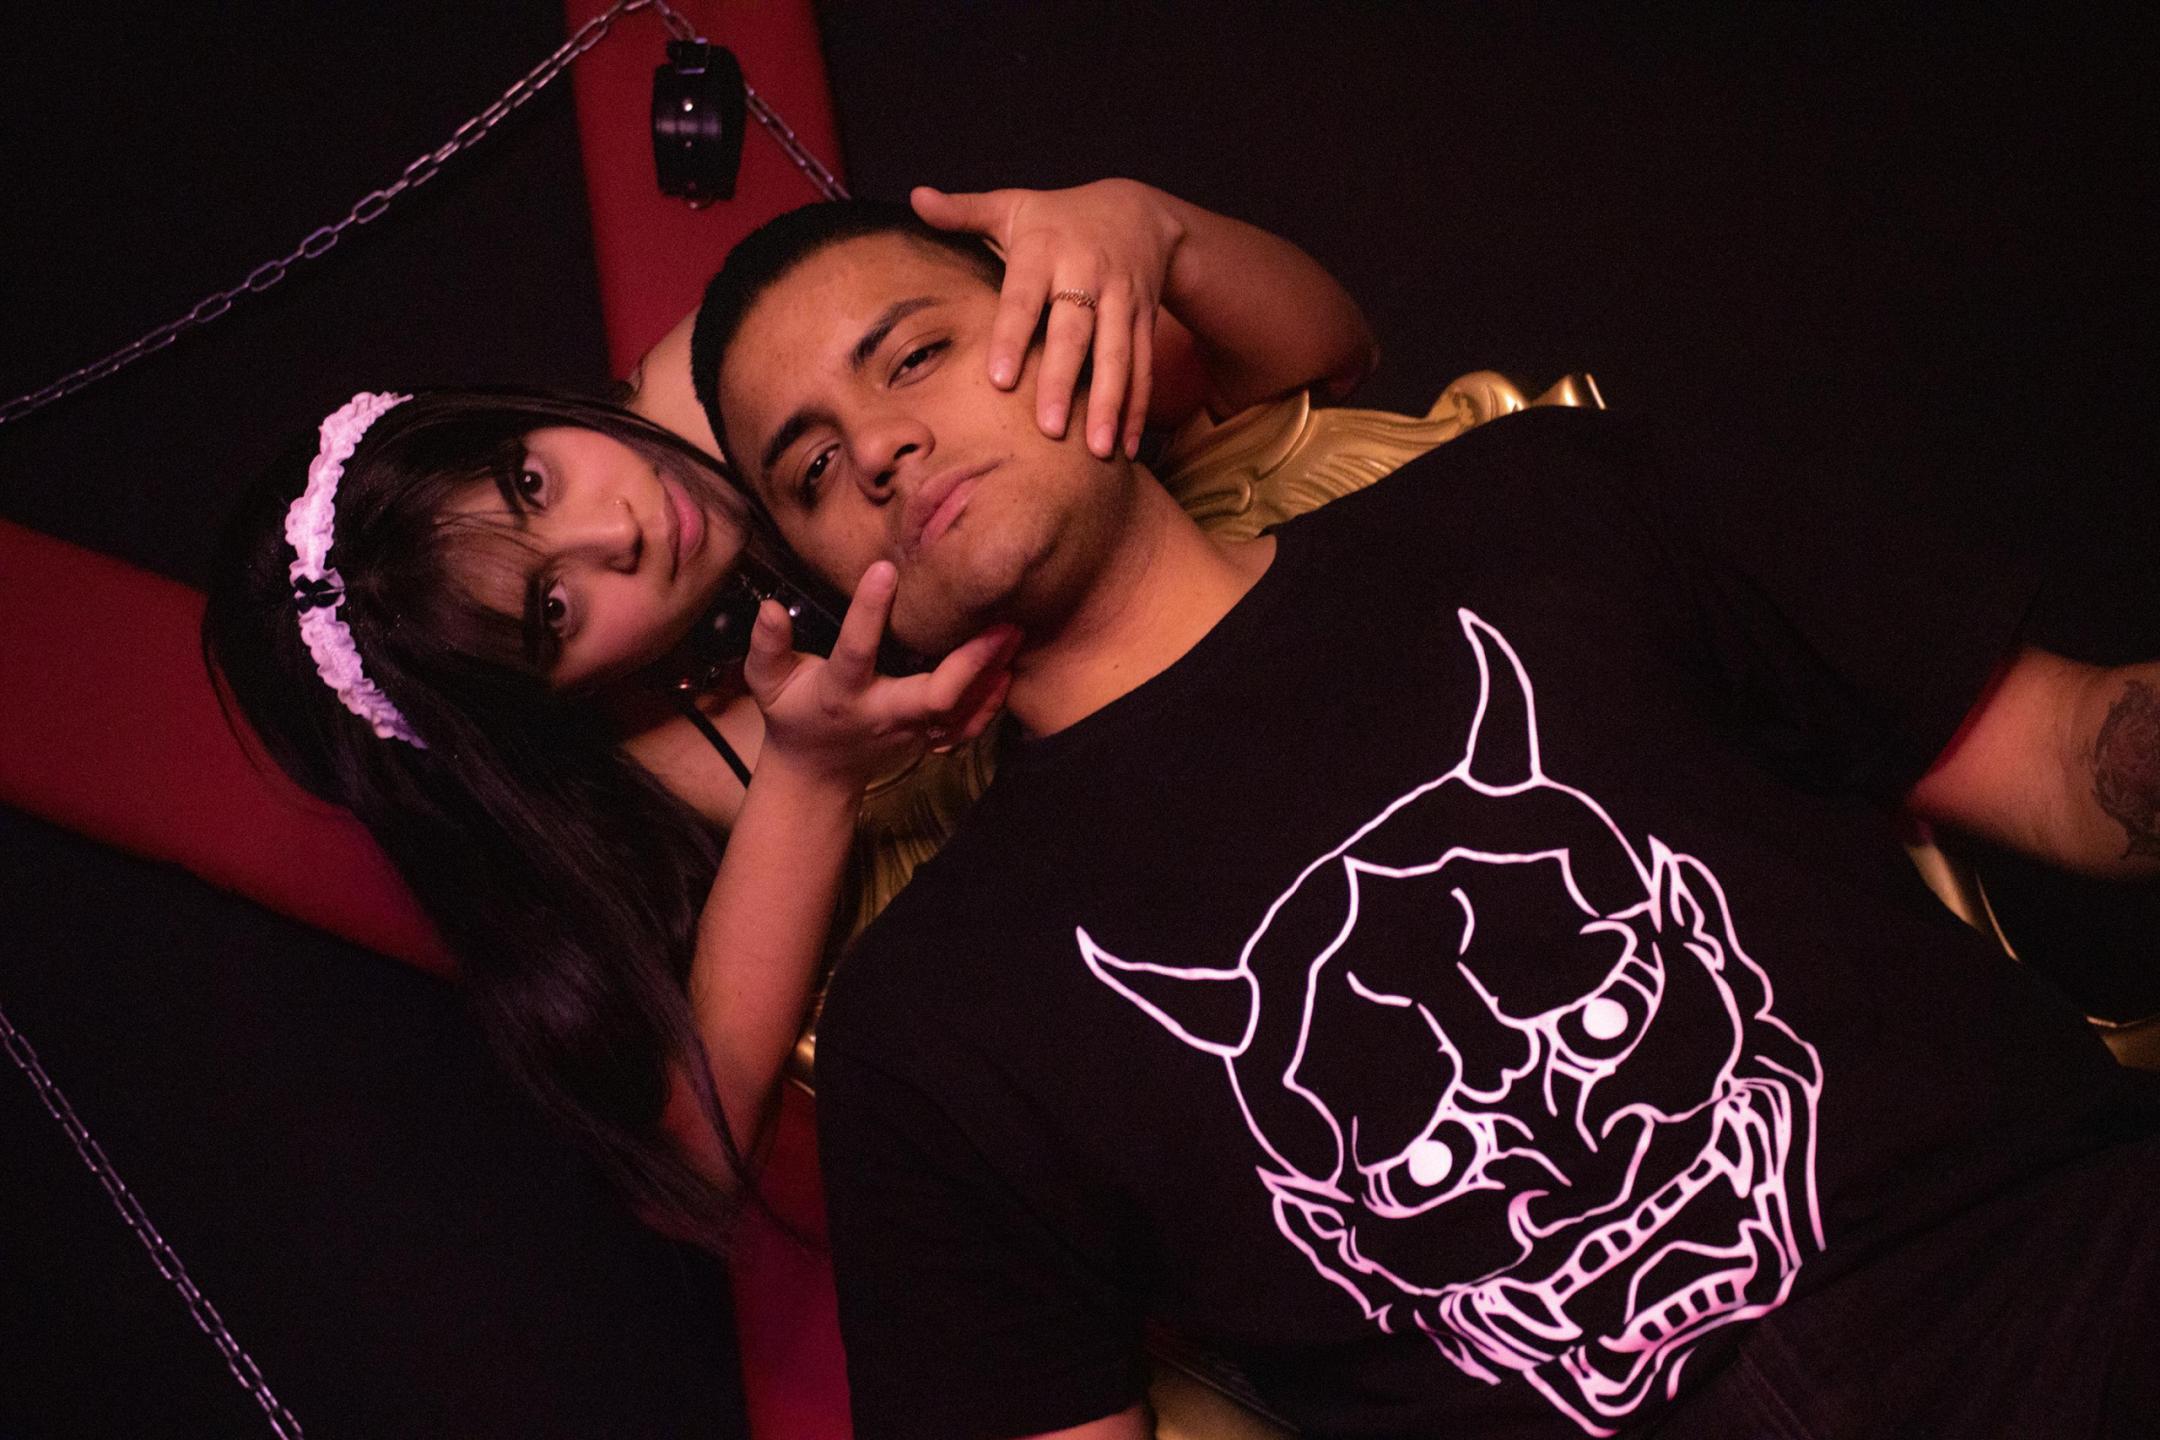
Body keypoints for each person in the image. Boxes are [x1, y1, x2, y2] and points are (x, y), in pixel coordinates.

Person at [693, 197, 2160, 1437]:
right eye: (813, 471)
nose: (878, 449)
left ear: (1075, 319)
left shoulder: (1539, 508)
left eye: (917, 354)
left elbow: (2067, 758)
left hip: (2073, 1289)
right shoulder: (933, 1018)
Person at [201, 180, 1377, 1249]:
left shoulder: (762, 369)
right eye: (553, 611)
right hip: (1186, 1041)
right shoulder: (631, 774)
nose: (621, 530)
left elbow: (1312, 370)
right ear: (538, 706)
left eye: (531, 480)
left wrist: (1152, 229)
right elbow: (690, 1172)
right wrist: (809, 779)